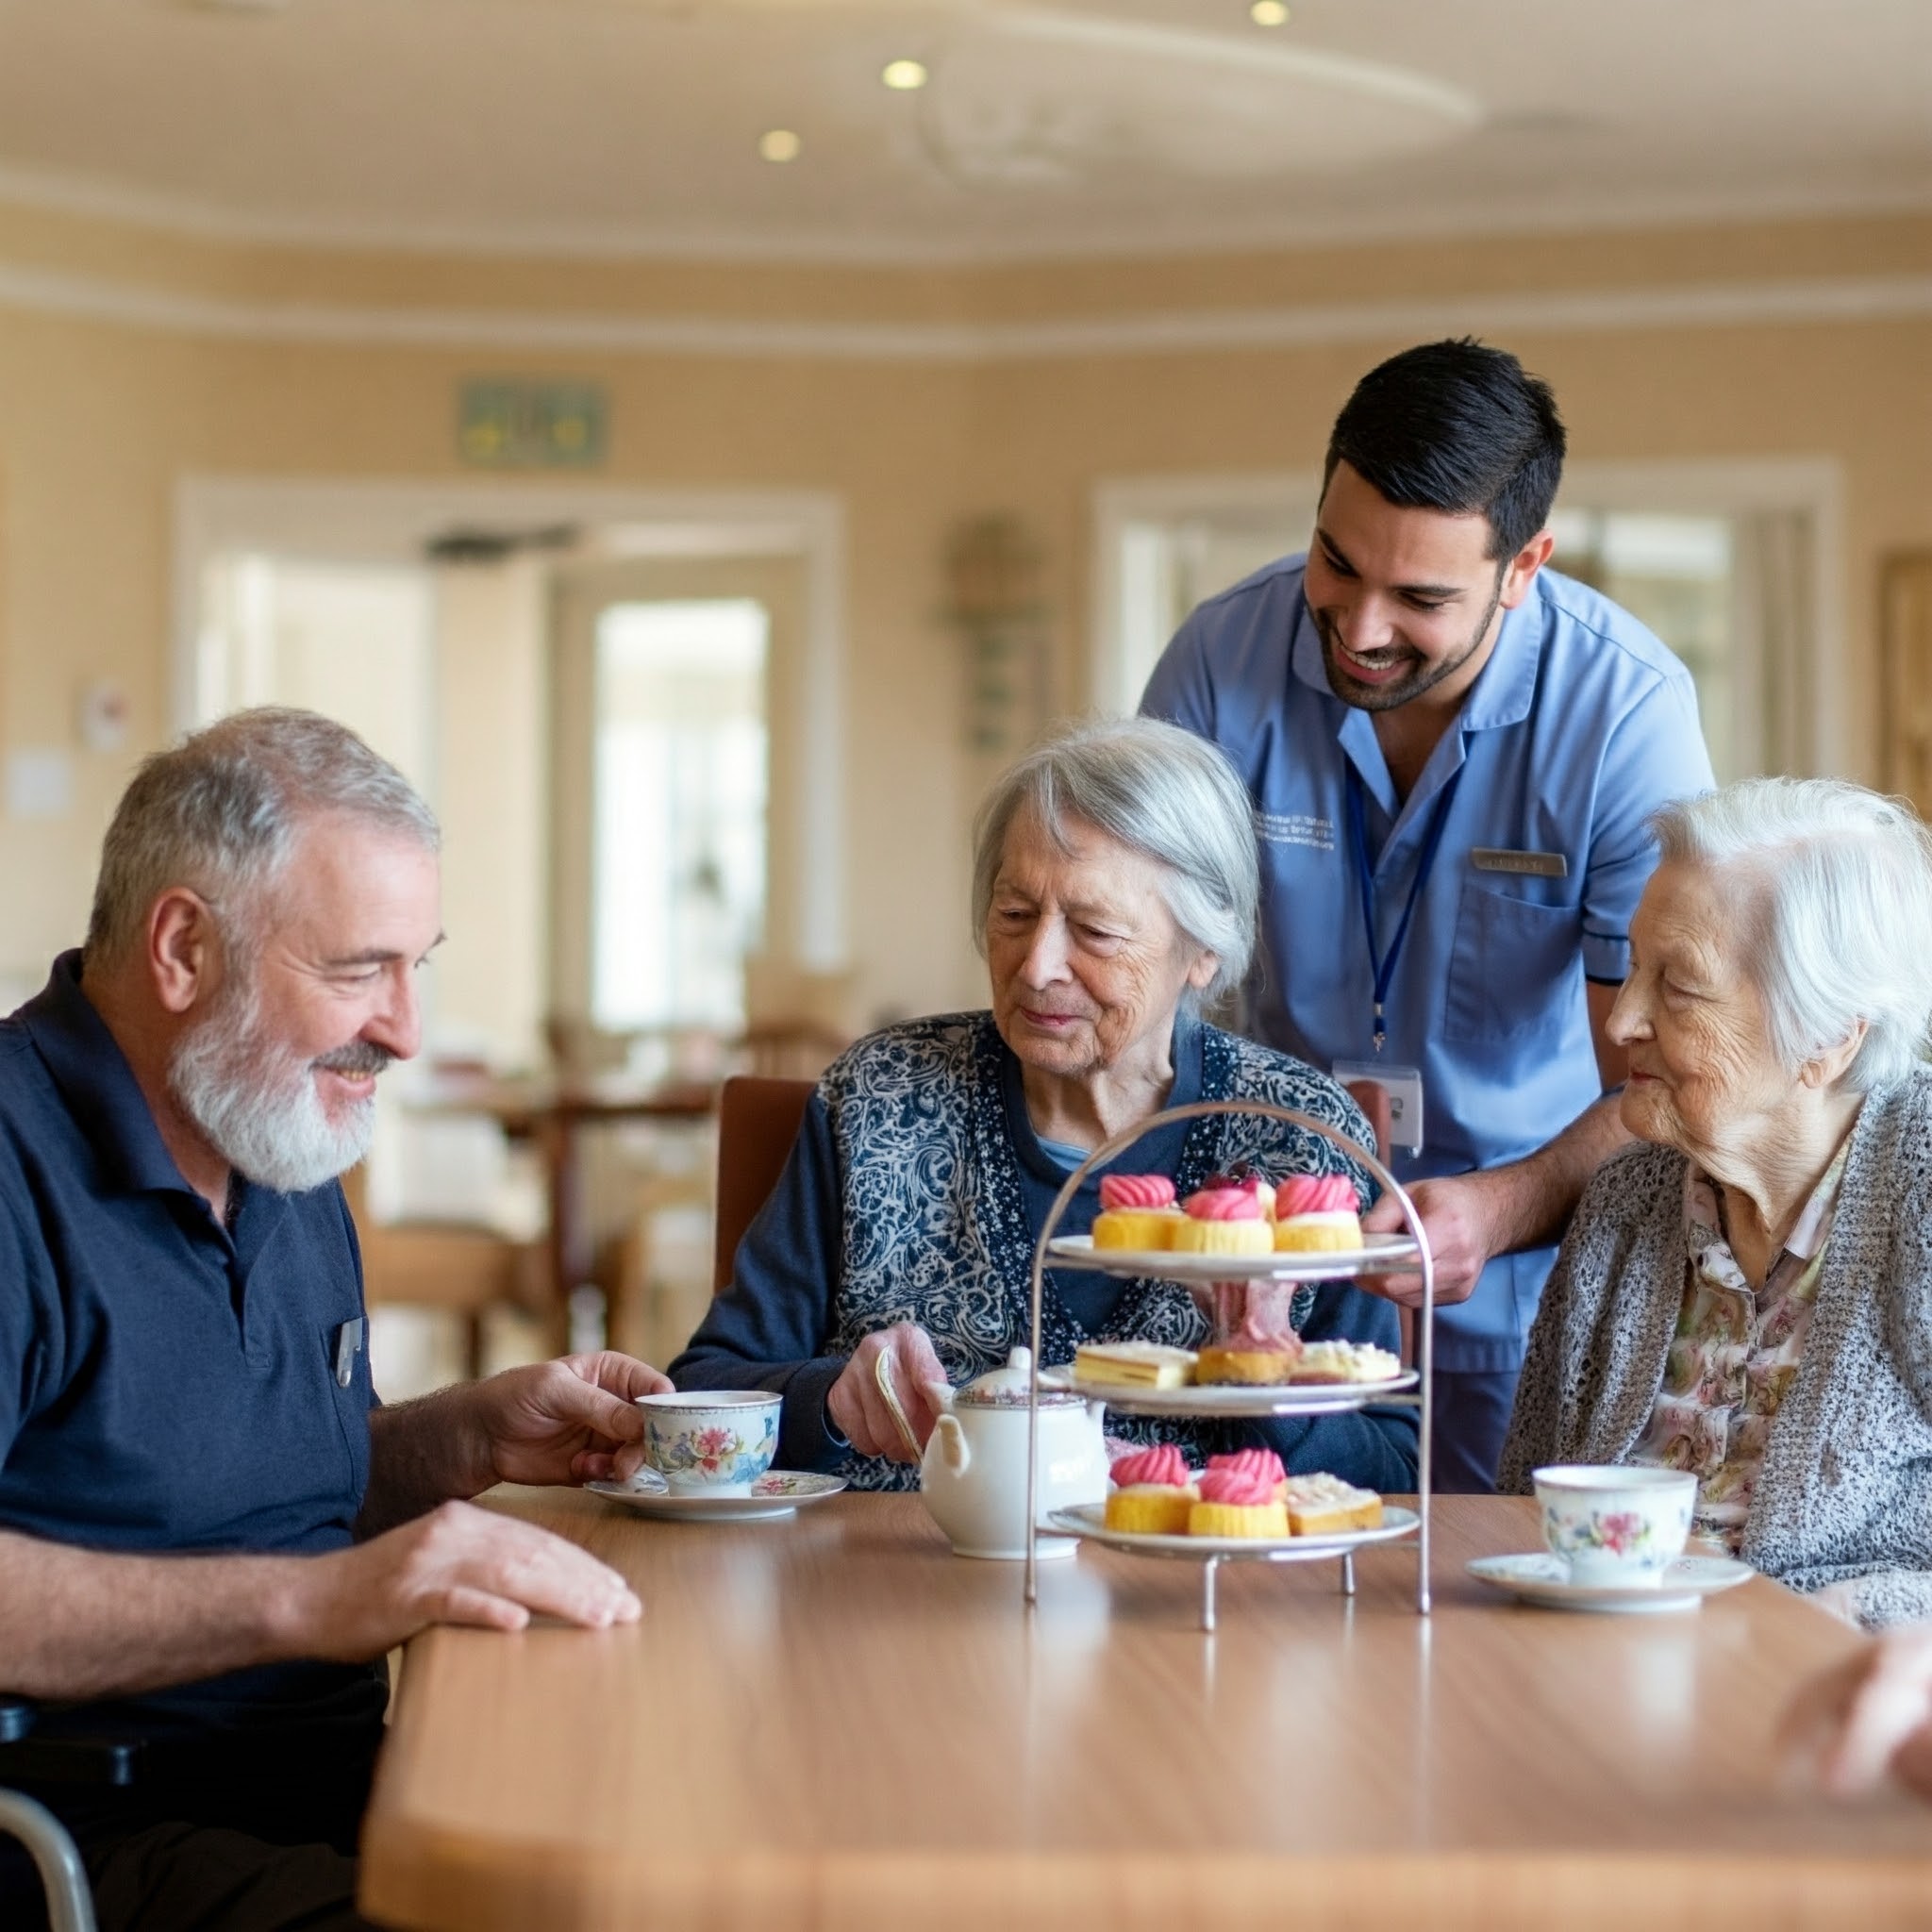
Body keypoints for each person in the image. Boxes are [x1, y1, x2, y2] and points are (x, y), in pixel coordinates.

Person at [0, 708, 672, 1932]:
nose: (404, 1030)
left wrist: (460, 1439)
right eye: (362, 969)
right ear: (183, 949)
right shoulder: (11, 1165)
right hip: (98, 1845)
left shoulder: (275, 1143)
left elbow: (288, 1486)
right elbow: (300, 1575)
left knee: (677, 1853)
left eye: (421, 965)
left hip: (346, 1785)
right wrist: (317, 1604)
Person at [1141, 337, 1715, 1491]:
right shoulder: (1214, 660)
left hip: (1517, 1277)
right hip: (1250, 1259)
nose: (1357, 628)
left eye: (1419, 598)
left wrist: (1504, 1208)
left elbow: (1661, 1073)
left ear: (1524, 566)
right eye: (1335, 564)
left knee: (1486, 1635)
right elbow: (1143, 979)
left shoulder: (1626, 716)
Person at [672, 717, 1417, 1491]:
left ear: (1203, 953)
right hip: (904, 1589)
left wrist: (1271, 1378)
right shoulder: (876, 1100)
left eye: (1094, 930)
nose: (1037, 967)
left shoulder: (1299, 1141)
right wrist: (829, 1399)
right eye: (1014, 915)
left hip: (1199, 1601)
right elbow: (704, 1388)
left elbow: (1394, 1469)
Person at [1500, 778, 1932, 1629]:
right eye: (1632, 970)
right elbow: (1526, 1501)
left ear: (1830, 1034)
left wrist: (1852, 1621)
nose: (1622, 1020)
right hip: (1598, 1674)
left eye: (1681, 989)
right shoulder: (1628, 1197)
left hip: (1843, 1698)